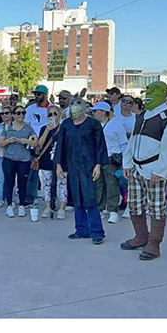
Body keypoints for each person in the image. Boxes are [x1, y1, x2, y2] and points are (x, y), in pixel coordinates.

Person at [121, 81, 167, 260]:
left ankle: (154, 244)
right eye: (148, 90)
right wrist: (127, 163)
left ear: (163, 94)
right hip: (136, 168)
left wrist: (160, 171)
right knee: (134, 204)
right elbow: (133, 140)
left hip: (154, 170)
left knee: (156, 208)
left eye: (153, 90)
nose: (149, 93)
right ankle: (141, 236)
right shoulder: (143, 115)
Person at [54, 97, 108, 244]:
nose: (75, 107)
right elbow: (60, 145)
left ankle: (97, 232)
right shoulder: (66, 124)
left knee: (90, 198)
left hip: (89, 165)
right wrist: (58, 164)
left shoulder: (93, 124)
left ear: (85, 107)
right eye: (72, 104)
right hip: (72, 165)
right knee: (77, 198)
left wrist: (98, 164)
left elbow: (100, 145)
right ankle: (81, 230)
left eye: (79, 104)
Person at [91, 102, 127, 224]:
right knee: (98, 184)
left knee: (112, 184)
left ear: (104, 112)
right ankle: (100, 209)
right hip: (97, 159)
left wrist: (125, 161)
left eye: (97, 111)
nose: (94, 113)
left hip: (111, 158)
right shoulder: (94, 125)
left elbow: (123, 143)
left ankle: (113, 210)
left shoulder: (117, 124)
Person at [0, 105, 37, 218]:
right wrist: (9, 141)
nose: (21, 115)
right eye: (18, 113)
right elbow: (0, 142)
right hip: (9, 159)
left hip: (24, 159)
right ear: (14, 115)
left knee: (22, 183)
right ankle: (9, 205)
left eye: (23, 113)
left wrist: (25, 141)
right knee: (9, 182)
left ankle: (21, 205)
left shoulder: (28, 128)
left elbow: (36, 142)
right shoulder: (7, 128)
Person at [36, 105, 67, 220]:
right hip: (46, 160)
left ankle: (62, 208)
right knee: (47, 184)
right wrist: (47, 131)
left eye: (55, 114)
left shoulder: (64, 128)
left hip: (61, 160)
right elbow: (39, 144)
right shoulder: (44, 128)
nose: (53, 116)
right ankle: (48, 206)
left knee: (62, 184)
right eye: (50, 114)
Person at [24, 85, 50, 205]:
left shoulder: (52, 109)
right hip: (33, 143)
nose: (36, 96)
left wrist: (42, 142)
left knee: (49, 174)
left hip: (48, 145)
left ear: (45, 95)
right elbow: (27, 126)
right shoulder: (30, 108)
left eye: (39, 94)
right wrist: (35, 142)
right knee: (31, 174)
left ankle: (51, 199)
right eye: (35, 94)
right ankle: (30, 198)